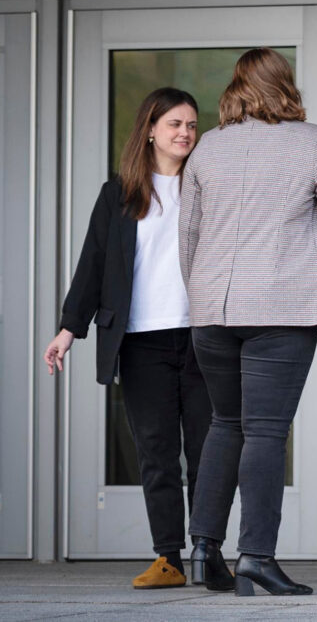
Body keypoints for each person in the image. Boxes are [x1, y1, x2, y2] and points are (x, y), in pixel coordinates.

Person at [180, 48, 317, 596]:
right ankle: (256, 556)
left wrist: (202, 289)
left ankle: (203, 549)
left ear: (236, 87)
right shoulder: (314, 142)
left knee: (224, 422)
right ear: (285, 85)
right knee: (264, 430)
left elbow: (188, 234)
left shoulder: (208, 147)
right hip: (281, 305)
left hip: (213, 308)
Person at [44, 88, 209, 590]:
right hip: (140, 343)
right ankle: (169, 558)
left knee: (208, 451)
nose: (185, 133)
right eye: (175, 124)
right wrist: (69, 328)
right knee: (157, 453)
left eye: (192, 125)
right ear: (151, 129)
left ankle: (209, 552)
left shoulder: (208, 186)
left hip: (203, 338)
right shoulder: (118, 194)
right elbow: (93, 264)